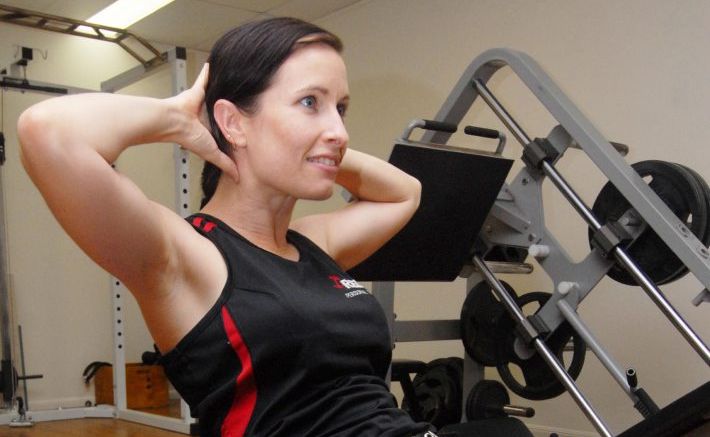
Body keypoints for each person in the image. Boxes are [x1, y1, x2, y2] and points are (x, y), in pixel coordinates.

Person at [18, 16, 434, 437]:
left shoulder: (311, 244)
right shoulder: (189, 256)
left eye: (340, 108)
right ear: (234, 122)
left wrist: (318, 144)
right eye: (310, 102)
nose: (340, 131)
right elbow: (44, 132)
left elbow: (406, 192)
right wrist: (174, 119)